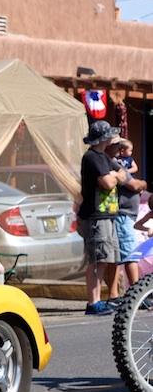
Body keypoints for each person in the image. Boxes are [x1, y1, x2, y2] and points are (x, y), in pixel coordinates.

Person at [77, 121, 128, 316]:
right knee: (96, 259)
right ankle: (93, 302)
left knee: (106, 258)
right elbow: (107, 182)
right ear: (103, 138)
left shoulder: (104, 157)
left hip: (108, 215)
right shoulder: (92, 157)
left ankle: (101, 299)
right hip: (95, 216)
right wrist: (115, 175)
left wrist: (115, 174)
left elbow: (123, 175)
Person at [106, 138, 146, 304]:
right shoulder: (115, 164)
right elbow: (134, 185)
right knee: (130, 255)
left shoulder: (118, 164)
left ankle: (119, 295)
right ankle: (135, 296)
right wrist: (143, 183)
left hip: (125, 214)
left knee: (121, 255)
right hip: (122, 214)